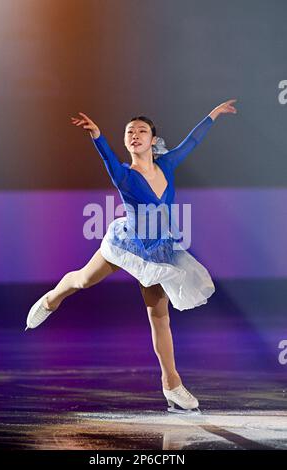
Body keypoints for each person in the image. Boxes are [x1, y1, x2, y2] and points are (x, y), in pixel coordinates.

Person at [25, 99, 237, 412]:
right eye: (129, 132)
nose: (134, 135)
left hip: (158, 252)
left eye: (141, 130)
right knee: (83, 280)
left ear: (153, 139)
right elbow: (108, 159)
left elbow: (191, 142)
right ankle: (51, 299)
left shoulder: (167, 164)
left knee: (159, 318)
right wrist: (97, 134)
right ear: (126, 141)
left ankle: (171, 384)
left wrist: (213, 115)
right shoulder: (124, 176)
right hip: (127, 245)